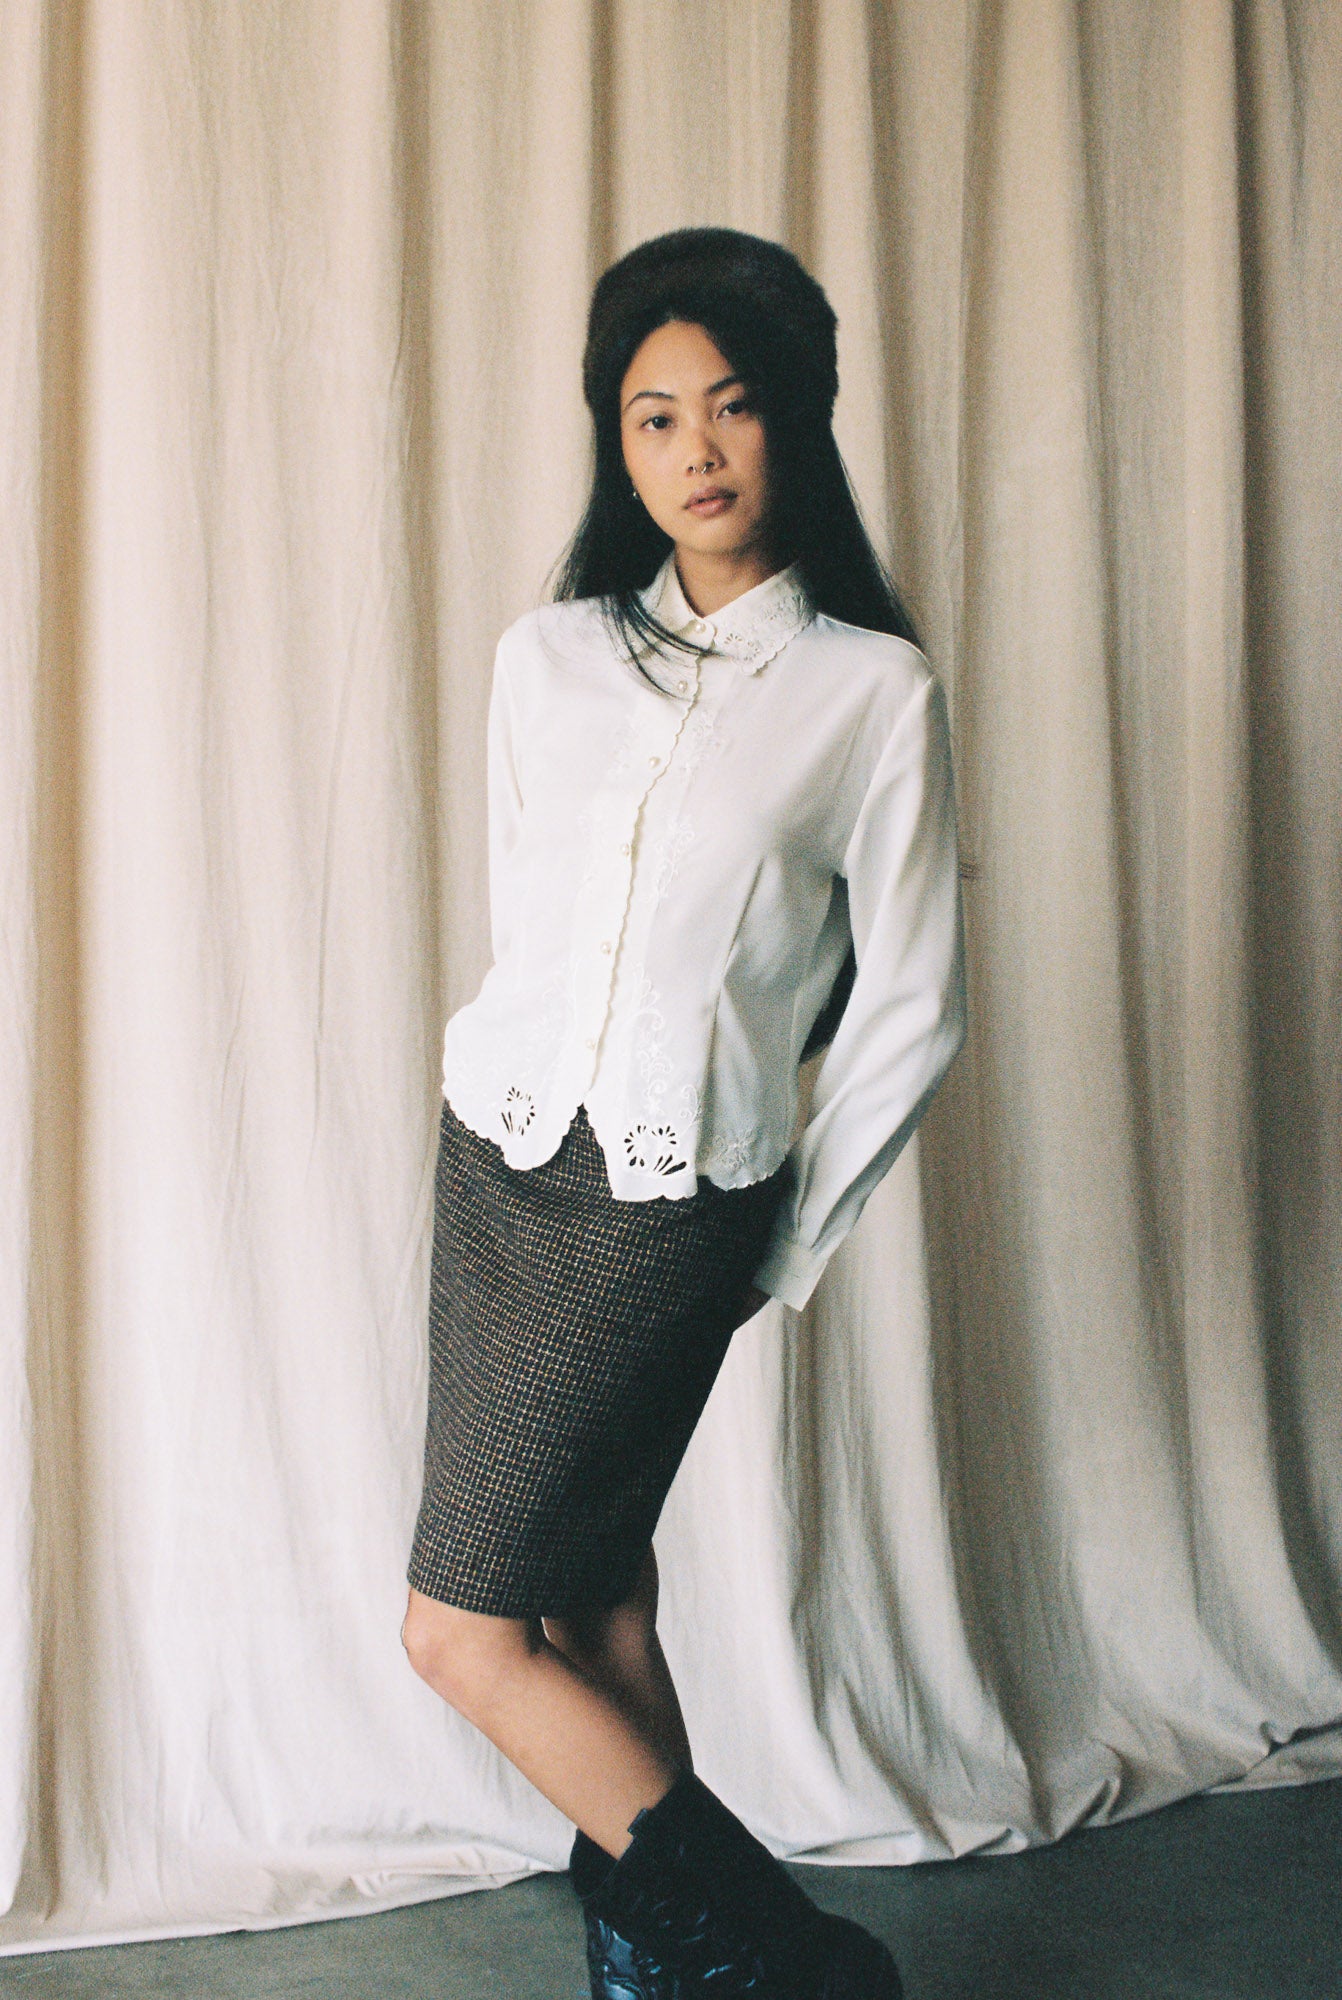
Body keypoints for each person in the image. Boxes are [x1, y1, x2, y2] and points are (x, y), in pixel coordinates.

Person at [400, 226, 966, 2000]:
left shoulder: (870, 692)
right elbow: (530, 922)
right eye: (652, 419)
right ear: (614, 445)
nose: (696, 451)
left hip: (670, 1207)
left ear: (793, 421)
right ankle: (665, 1974)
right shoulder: (544, 657)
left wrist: (778, 1241)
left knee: (458, 1629)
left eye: (731, 408)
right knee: (588, 1602)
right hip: (497, 1167)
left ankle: (782, 1964)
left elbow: (914, 1001)